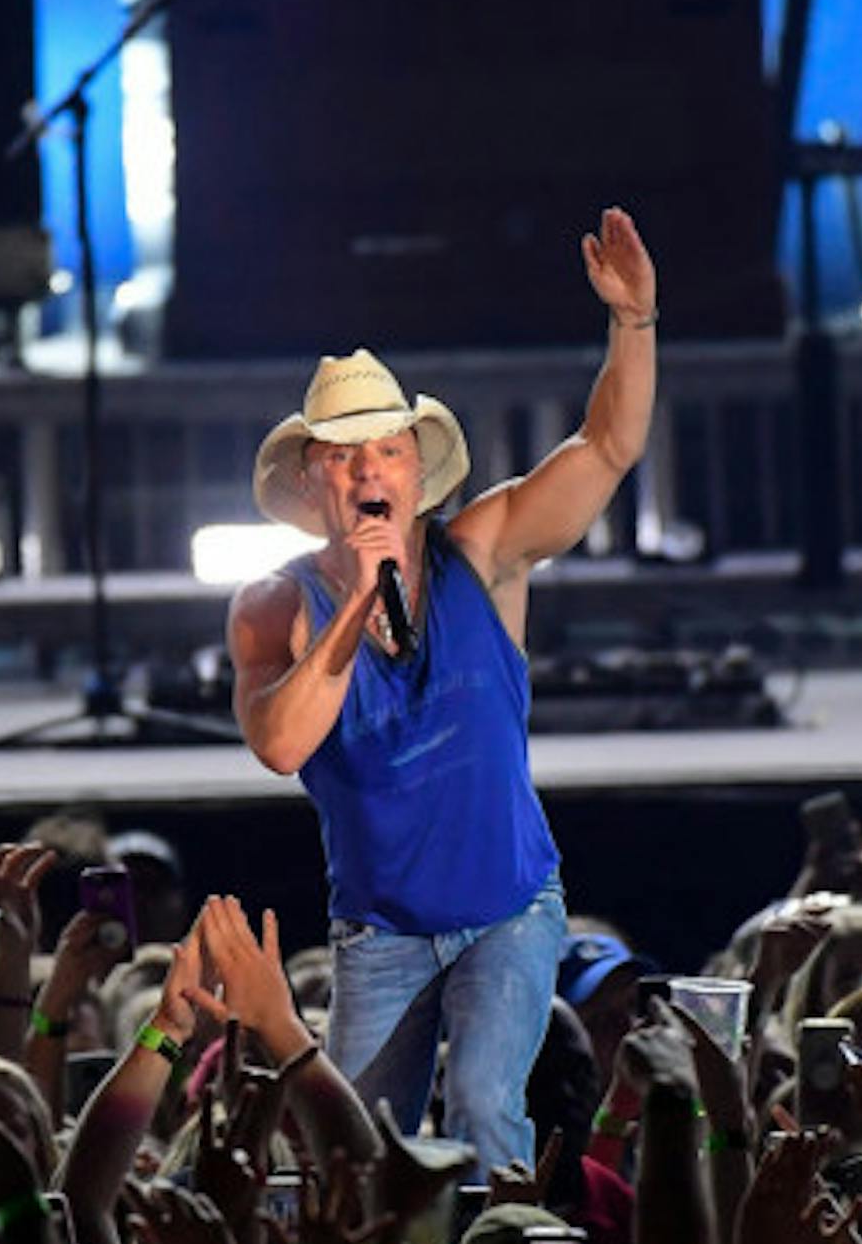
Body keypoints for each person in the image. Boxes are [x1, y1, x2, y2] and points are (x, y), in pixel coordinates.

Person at [227, 206, 658, 1173]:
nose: (367, 470)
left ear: (418, 471)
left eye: (387, 450)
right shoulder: (274, 608)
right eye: (344, 456)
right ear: (313, 482)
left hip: (508, 908)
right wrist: (356, 598)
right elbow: (281, 744)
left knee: (482, 1103)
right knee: (355, 1155)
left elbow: (605, 450)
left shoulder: (484, 552)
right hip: (379, 934)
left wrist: (633, 323)